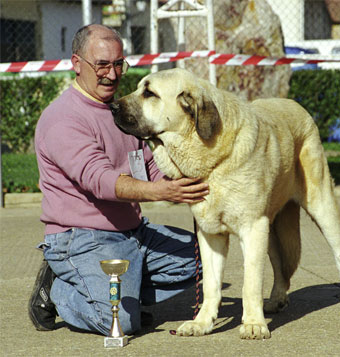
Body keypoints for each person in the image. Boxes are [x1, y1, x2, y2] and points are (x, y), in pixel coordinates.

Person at [28, 24, 208, 335]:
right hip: (83, 238)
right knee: (118, 322)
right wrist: (161, 192)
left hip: (134, 232)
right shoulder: (63, 119)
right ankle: (59, 292)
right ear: (76, 63)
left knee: (205, 257)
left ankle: (123, 292)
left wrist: (200, 170)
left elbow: (150, 167)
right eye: (102, 65)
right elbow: (99, 180)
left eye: (118, 64)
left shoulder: (123, 112)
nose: (112, 74)